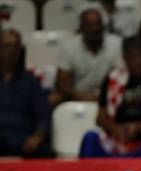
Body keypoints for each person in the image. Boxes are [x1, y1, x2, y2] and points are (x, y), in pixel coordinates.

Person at [79, 36, 141, 157]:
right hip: (116, 139)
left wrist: (140, 127)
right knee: (90, 138)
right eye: (134, 57)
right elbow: (100, 116)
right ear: (125, 59)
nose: (139, 61)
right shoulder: (112, 78)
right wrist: (114, 129)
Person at [52, 6, 122, 105]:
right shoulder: (69, 46)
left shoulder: (116, 43)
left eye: (98, 23)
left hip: (108, 94)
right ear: (81, 27)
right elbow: (62, 82)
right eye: (90, 24)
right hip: (76, 94)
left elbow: (122, 76)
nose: (95, 28)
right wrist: (83, 96)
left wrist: (104, 96)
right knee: (53, 98)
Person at [0, 29, 52, 158]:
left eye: (16, 46)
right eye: (7, 46)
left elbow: (43, 116)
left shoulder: (31, 82)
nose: (12, 51)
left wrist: (37, 137)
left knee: (45, 152)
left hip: (23, 140)